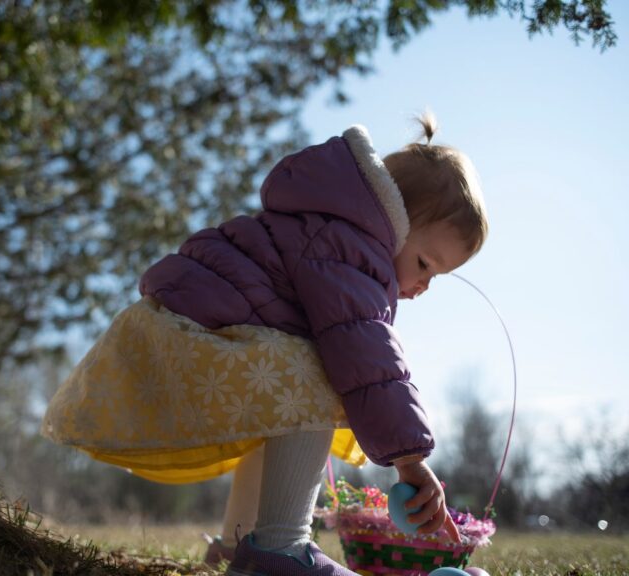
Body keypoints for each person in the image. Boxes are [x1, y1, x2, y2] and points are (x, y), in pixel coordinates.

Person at [42, 113, 488, 576]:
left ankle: (241, 547)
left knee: (282, 390)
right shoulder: (352, 247)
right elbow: (367, 356)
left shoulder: (330, 228)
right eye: (424, 263)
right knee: (315, 374)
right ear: (394, 216)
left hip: (185, 336)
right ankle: (280, 549)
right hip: (191, 341)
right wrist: (410, 459)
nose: (423, 285)